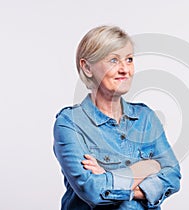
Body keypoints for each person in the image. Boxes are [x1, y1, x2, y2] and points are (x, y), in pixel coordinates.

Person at [53, 25, 181, 210]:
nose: (125, 69)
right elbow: (93, 190)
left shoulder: (146, 118)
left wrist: (109, 177)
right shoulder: (70, 123)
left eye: (129, 60)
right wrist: (148, 167)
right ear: (87, 67)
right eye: (114, 60)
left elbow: (173, 176)